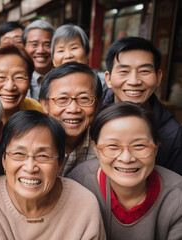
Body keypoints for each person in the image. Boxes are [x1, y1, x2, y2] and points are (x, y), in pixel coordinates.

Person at [0, 110, 105, 240]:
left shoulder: (83, 204)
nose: (30, 168)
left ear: (59, 165)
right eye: (19, 154)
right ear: (4, 161)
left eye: (43, 156)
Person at [68, 102, 182, 240]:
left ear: (156, 148)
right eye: (113, 146)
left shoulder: (177, 196)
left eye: (139, 145)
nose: (126, 158)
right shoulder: (79, 182)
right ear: (96, 149)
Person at [102, 36, 182, 175]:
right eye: (124, 71)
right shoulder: (92, 107)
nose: (134, 81)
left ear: (158, 78)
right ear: (108, 79)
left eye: (144, 71)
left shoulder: (172, 134)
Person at [39, 62, 103, 176]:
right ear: (45, 105)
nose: (73, 109)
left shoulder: (105, 147)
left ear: (97, 104)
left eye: (84, 98)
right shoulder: (31, 142)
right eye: (62, 99)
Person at [0, 45, 43, 124]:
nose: (10, 87)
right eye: (1, 77)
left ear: (30, 81)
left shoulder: (35, 110)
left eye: (19, 77)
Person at [23, 20, 54, 100]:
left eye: (47, 45)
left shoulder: (64, 77)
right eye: (34, 44)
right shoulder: (18, 78)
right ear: (24, 47)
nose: (40, 51)